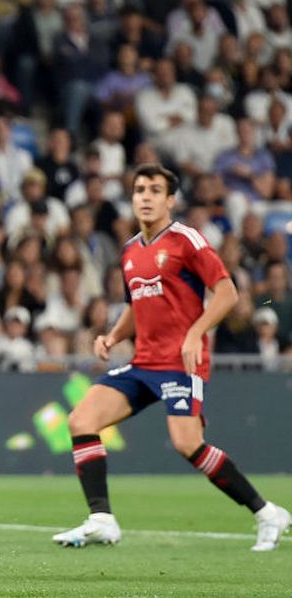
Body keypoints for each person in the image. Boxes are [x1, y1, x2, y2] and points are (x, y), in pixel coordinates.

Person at [53, 164, 290, 552]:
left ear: (170, 200)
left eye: (155, 190)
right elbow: (136, 304)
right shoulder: (130, 251)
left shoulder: (186, 240)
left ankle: (267, 513)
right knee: (81, 419)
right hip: (144, 362)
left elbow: (227, 292)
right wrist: (113, 336)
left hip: (181, 362)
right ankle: (102, 519)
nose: (146, 197)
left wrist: (196, 332)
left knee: (186, 444)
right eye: (139, 190)